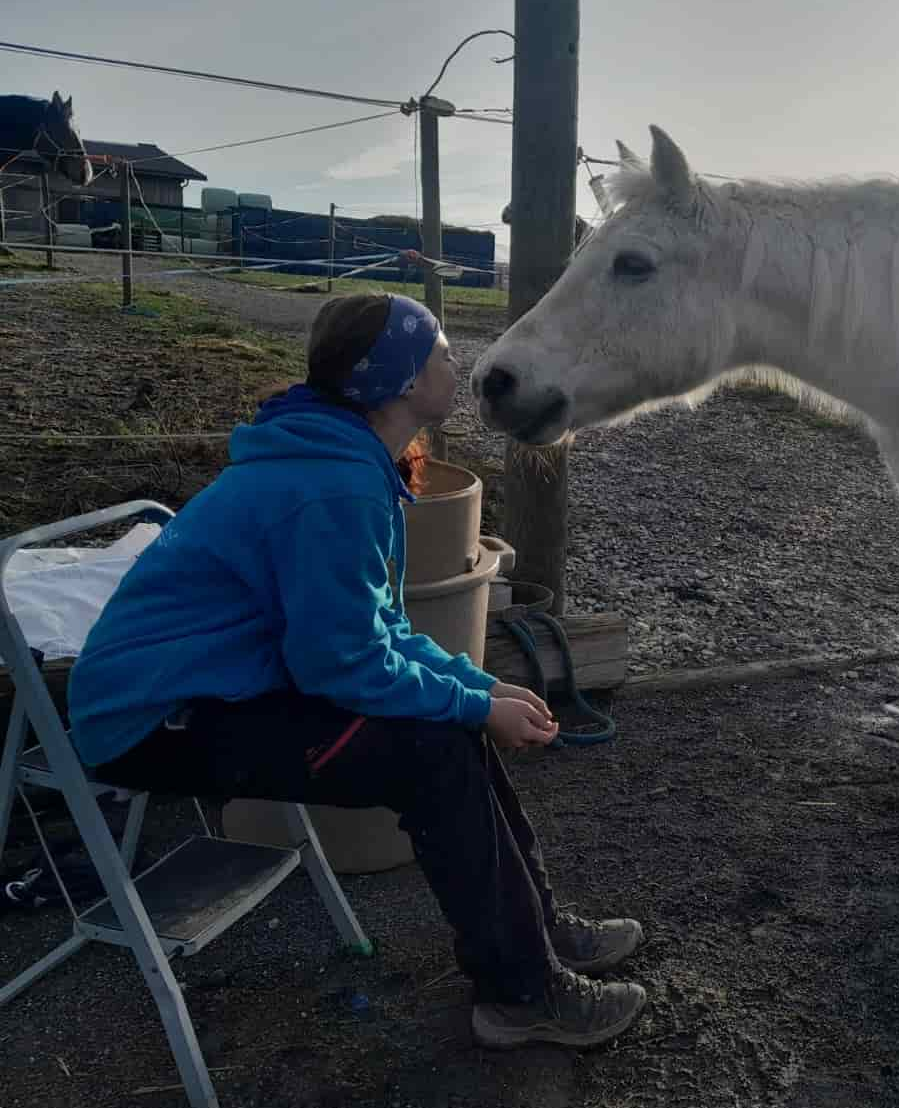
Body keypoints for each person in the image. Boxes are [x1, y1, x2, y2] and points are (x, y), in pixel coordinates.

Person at [66, 292, 646, 1050]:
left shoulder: (340, 457)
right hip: (155, 717)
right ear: (402, 382)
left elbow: (376, 627)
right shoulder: (333, 486)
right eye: (440, 352)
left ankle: (534, 932)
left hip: (217, 685)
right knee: (434, 752)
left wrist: (478, 688)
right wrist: (469, 711)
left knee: (448, 728)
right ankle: (521, 994)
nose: (454, 365)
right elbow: (340, 663)